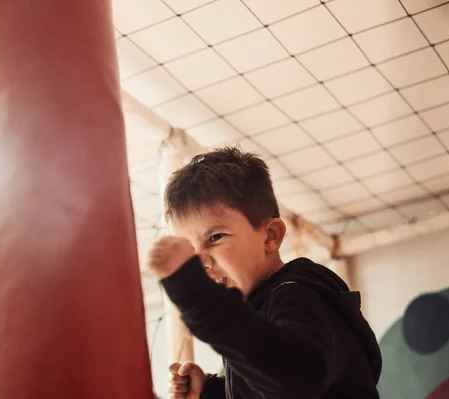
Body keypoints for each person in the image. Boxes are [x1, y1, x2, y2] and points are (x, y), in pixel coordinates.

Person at [147, 147, 382, 399]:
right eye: (190, 250)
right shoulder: (257, 317)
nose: (201, 261)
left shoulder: (298, 296)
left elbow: (296, 379)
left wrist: (198, 299)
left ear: (270, 236)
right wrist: (210, 392)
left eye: (215, 237)